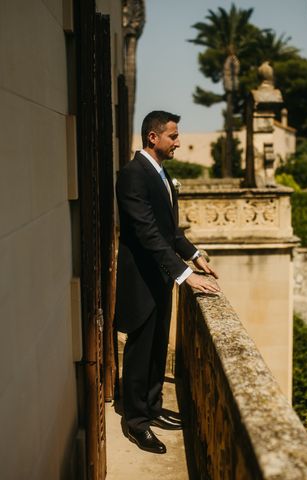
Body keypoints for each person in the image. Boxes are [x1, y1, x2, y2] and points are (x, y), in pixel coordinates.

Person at [114, 110, 220, 454]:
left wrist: (194, 254)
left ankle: (153, 408)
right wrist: (186, 276)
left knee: (159, 347)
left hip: (160, 278)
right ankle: (136, 422)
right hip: (142, 280)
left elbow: (169, 231)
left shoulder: (160, 173)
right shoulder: (132, 175)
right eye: (173, 136)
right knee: (140, 351)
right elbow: (146, 233)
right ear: (152, 137)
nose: (178, 141)